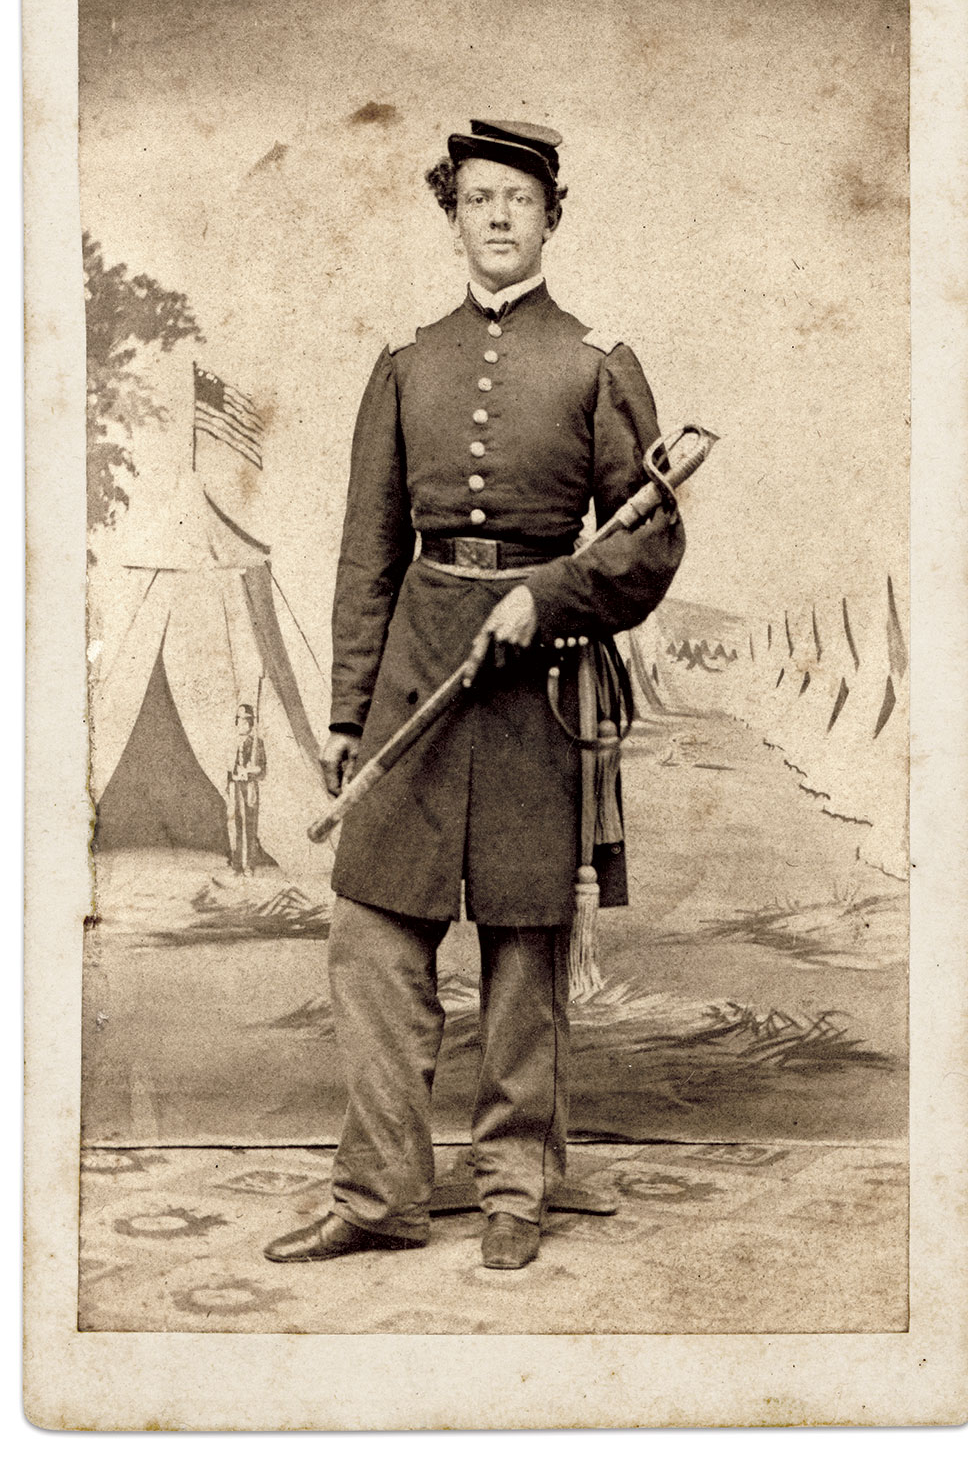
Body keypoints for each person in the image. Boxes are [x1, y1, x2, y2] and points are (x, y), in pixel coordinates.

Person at [265, 118, 686, 1270]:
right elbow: (366, 553)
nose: (498, 217)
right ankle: (382, 1190)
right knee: (373, 930)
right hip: (415, 676)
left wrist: (547, 597)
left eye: (520, 198)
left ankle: (513, 1183)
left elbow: (649, 546)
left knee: (521, 940)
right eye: (478, 199)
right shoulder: (405, 361)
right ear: (452, 214)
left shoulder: (599, 363)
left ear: (553, 214)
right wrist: (347, 717)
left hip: (536, 692)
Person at [226, 703, 266, 876]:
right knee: (235, 824)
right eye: (239, 720)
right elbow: (230, 767)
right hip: (235, 786)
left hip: (249, 787)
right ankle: (237, 864)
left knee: (250, 825)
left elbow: (262, 770)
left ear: (251, 724)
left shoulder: (257, 743)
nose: (241, 724)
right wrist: (228, 784)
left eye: (245, 721)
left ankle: (249, 865)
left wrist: (249, 770)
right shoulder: (233, 742)